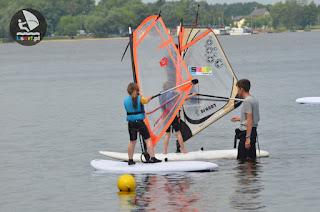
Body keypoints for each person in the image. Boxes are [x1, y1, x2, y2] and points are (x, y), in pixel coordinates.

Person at [124, 82, 162, 165]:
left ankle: (130, 160)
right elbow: (146, 100)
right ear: (137, 90)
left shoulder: (125, 100)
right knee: (148, 139)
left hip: (131, 123)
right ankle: (152, 158)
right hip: (140, 123)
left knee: (132, 142)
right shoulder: (140, 98)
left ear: (128, 91)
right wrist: (150, 97)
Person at [161, 82, 197, 154]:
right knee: (178, 133)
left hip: (165, 117)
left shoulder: (162, 95)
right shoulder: (172, 94)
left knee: (167, 134)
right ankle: (183, 150)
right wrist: (192, 95)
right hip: (172, 116)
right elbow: (183, 99)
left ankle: (165, 151)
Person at [231, 79, 260, 161]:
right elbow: (257, 118)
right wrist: (240, 119)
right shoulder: (254, 100)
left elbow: (250, 120)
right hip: (253, 132)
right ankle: (251, 173)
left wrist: (247, 138)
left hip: (246, 133)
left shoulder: (247, 101)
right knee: (251, 160)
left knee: (242, 160)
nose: (237, 91)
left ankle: (247, 174)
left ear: (241, 89)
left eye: (237, 89)